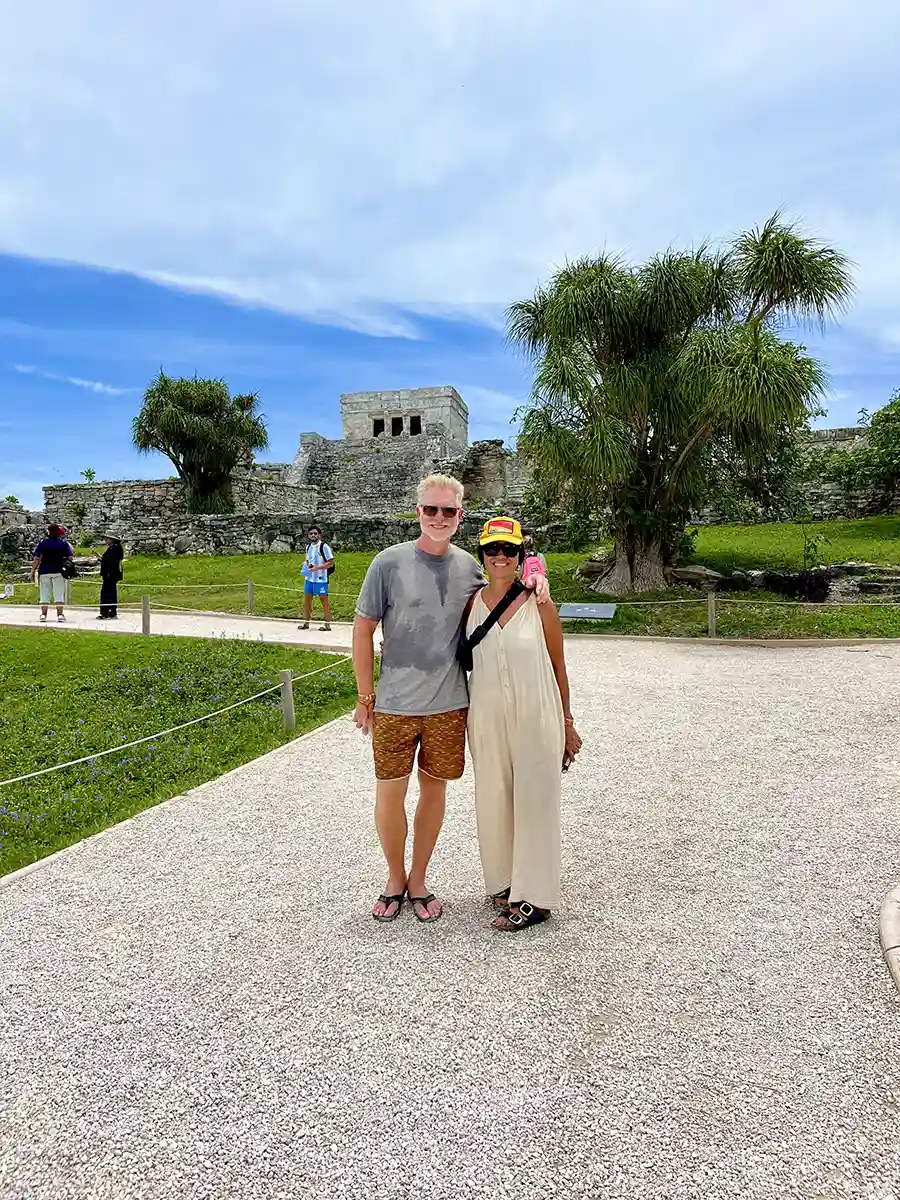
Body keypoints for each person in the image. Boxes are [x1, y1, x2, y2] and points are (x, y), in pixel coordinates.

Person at [352, 475, 551, 923]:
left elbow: (505, 587)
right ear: (418, 511)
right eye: (430, 510)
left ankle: (418, 879)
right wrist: (366, 695)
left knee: (433, 793)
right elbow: (362, 630)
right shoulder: (387, 564)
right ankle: (394, 877)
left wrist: (538, 579)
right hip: (395, 703)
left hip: (448, 703)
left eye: (448, 511)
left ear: (460, 516)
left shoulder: (469, 568)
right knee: (389, 794)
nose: (438, 518)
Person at [466, 516, 582, 931]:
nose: (500, 556)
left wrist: (568, 723)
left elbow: (558, 666)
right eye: (492, 549)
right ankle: (503, 882)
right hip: (486, 718)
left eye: (509, 550)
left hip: (537, 716)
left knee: (535, 803)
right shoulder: (470, 603)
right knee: (493, 799)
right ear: (481, 554)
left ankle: (535, 897)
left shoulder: (540, 603)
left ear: (521, 555)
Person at [30, 523, 74, 624]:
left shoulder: (43, 543)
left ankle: (43, 615)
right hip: (58, 571)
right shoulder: (63, 544)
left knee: (44, 593)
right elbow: (70, 557)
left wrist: (32, 571)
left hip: (44, 570)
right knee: (59, 593)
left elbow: (37, 558)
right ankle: (59, 615)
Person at [299, 526, 334, 632]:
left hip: (321, 579)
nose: (313, 535)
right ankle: (306, 623)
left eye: (315, 533)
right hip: (309, 578)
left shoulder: (324, 547)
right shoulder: (308, 547)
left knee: (324, 601)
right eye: (311, 534)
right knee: (307, 601)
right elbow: (309, 560)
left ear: (319, 535)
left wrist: (318, 568)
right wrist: (307, 565)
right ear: (308, 535)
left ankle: (327, 625)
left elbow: (331, 563)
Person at [98, 534, 124, 619]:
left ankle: (110, 611)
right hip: (107, 574)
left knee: (109, 593)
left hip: (111, 575)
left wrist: (105, 561)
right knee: (106, 593)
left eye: (107, 539)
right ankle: (105, 611)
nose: (106, 540)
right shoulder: (111, 548)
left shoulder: (116, 549)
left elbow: (112, 562)